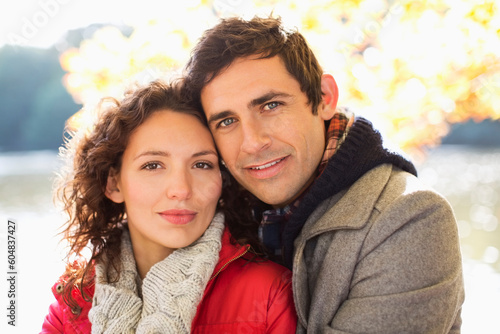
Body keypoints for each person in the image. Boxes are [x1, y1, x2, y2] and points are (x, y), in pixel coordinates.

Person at [183, 16, 465, 333]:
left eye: (271, 105)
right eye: (226, 122)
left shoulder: (408, 218)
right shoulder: (203, 211)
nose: (252, 143)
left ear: (325, 98)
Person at [40, 80, 297, 333]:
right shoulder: (72, 304)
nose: (181, 190)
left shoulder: (269, 294)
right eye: (153, 165)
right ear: (113, 184)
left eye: (202, 164)